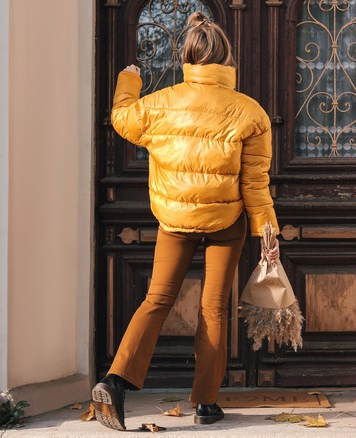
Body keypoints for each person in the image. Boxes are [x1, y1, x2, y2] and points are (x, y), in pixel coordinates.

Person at [91, 12, 279, 431]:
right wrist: (267, 231)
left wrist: (128, 80)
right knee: (213, 309)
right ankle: (206, 404)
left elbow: (122, 120)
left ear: (187, 57)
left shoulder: (160, 104)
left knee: (157, 299)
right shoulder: (250, 112)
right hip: (225, 221)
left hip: (173, 219)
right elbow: (254, 181)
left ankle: (115, 380)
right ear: (227, 58)